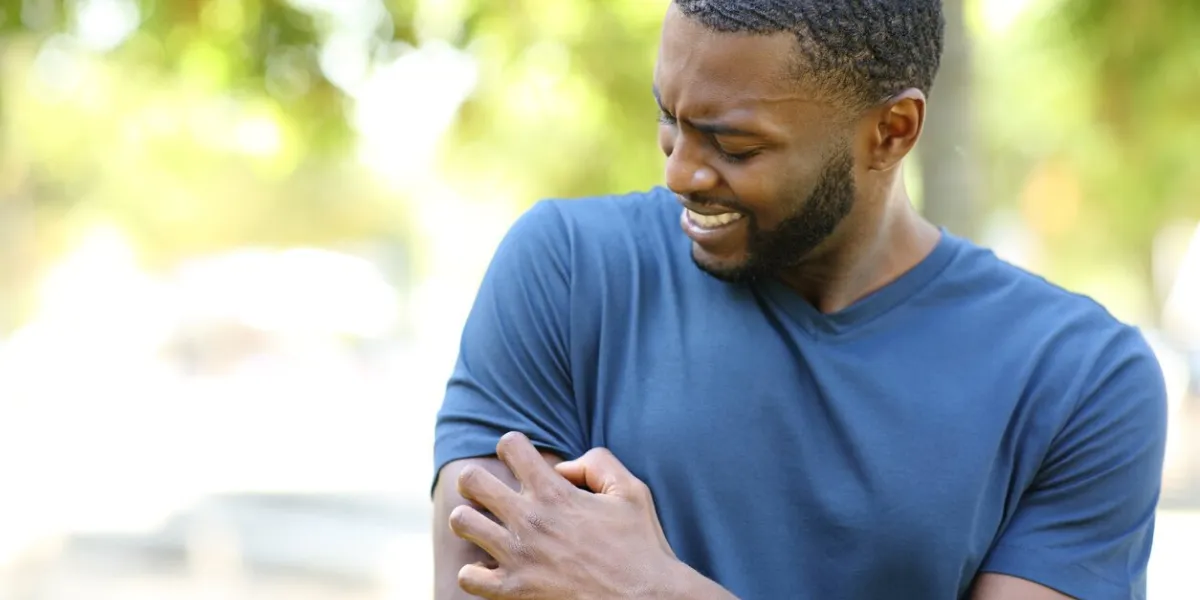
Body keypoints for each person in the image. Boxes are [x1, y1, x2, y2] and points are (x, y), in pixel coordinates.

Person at [431, 1, 1168, 598]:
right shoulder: (567, 272)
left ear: (891, 131)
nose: (681, 174)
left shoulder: (1080, 379)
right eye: (670, 118)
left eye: (735, 147)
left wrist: (655, 591)